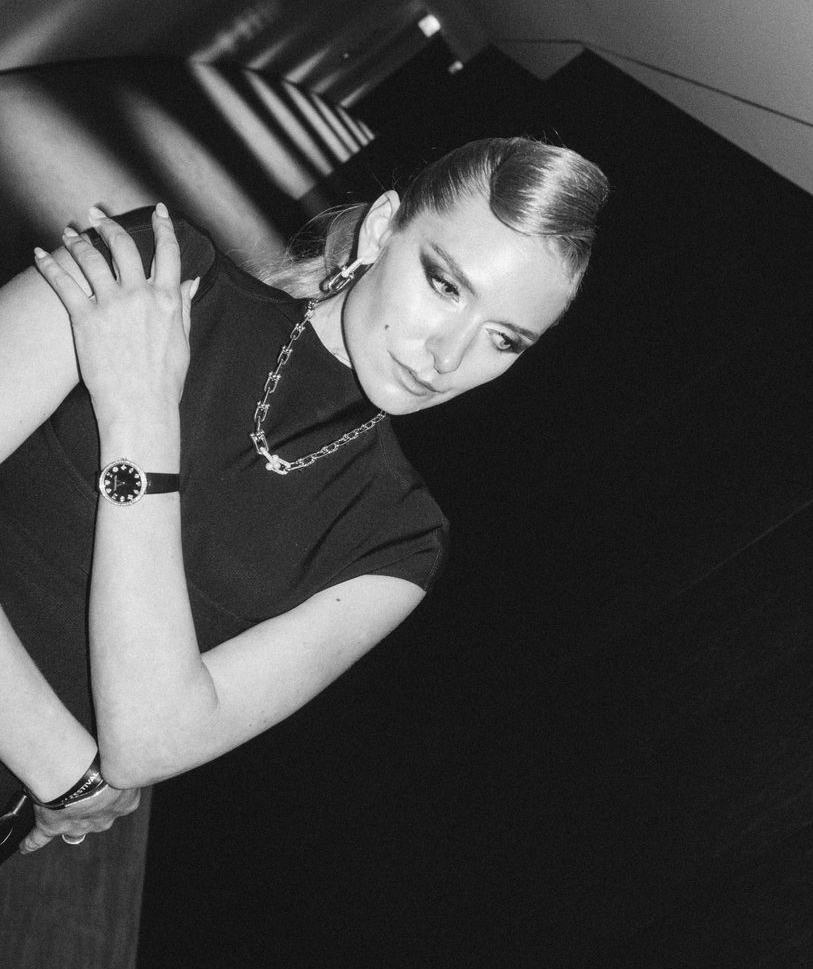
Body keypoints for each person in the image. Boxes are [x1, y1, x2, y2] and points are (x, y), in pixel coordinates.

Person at [0, 136, 608, 858]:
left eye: (504, 341)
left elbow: (147, 743)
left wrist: (141, 419)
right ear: (384, 228)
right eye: (445, 285)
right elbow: (112, 759)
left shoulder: (399, 538)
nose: (448, 356)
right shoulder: (161, 278)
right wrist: (65, 772)